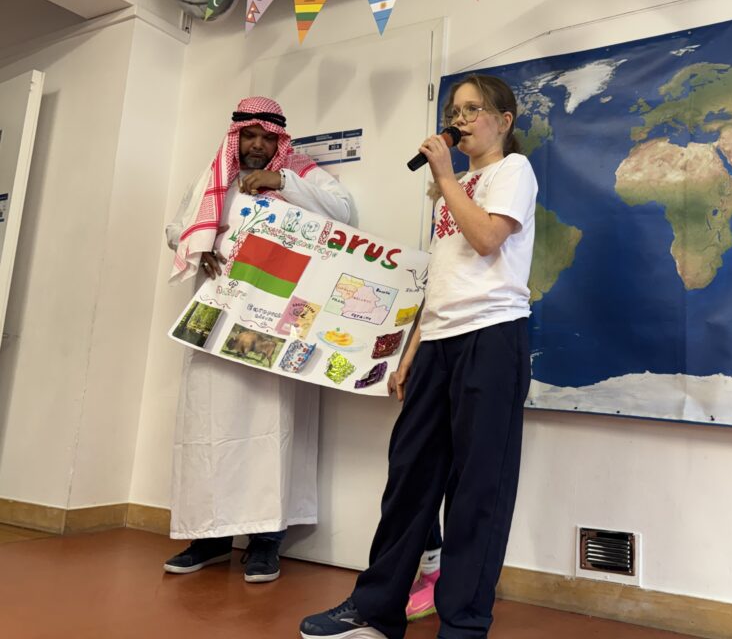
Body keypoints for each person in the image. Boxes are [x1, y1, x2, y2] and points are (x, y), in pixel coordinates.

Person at [299, 73, 538, 639]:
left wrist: (446, 177)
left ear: (503, 120)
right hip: (439, 342)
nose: (460, 120)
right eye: (455, 111)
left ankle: (463, 623)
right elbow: (443, 276)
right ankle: (376, 608)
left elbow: (487, 239)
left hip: (492, 338)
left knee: (478, 486)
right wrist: (413, 347)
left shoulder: (513, 171)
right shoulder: (453, 188)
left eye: (473, 110)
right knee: (409, 475)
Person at [163, 96, 355, 583]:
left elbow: (346, 212)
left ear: (279, 140)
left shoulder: (302, 173)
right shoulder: (214, 178)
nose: (255, 145)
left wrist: (282, 181)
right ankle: (209, 538)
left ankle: (267, 541)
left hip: (275, 323)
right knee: (208, 424)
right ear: (236, 137)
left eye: (266, 138)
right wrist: (199, 243)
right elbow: (176, 227)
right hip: (217, 319)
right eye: (248, 136)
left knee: (272, 426)